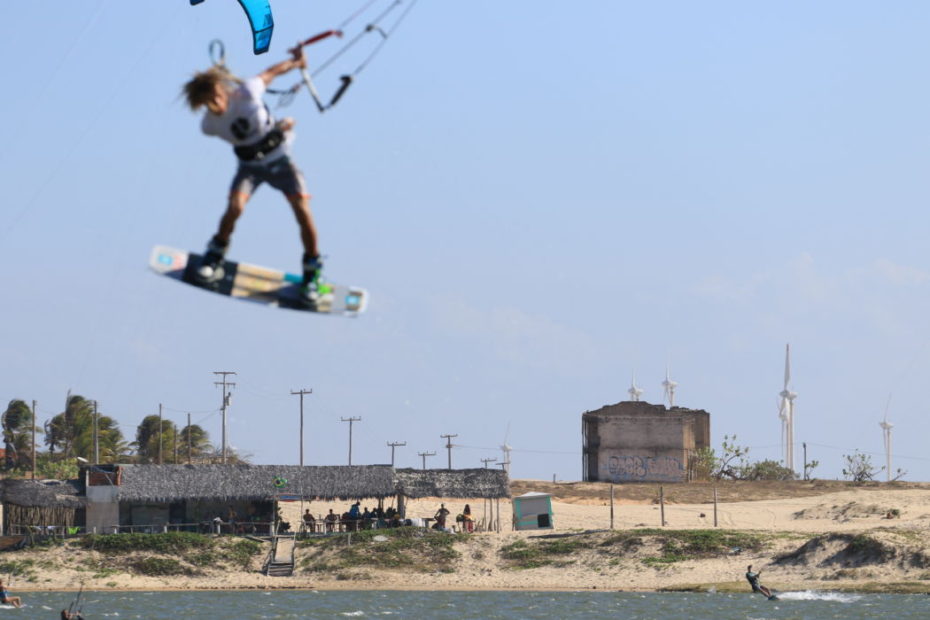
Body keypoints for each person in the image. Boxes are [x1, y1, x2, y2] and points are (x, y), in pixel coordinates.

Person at [182, 46, 329, 305]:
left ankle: (312, 272)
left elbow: (272, 72)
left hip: (281, 162)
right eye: (209, 102)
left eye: (217, 97)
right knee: (235, 207)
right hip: (250, 169)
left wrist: (295, 63)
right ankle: (214, 256)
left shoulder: (247, 92)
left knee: (303, 211)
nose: (216, 105)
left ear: (222, 91)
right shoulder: (209, 126)